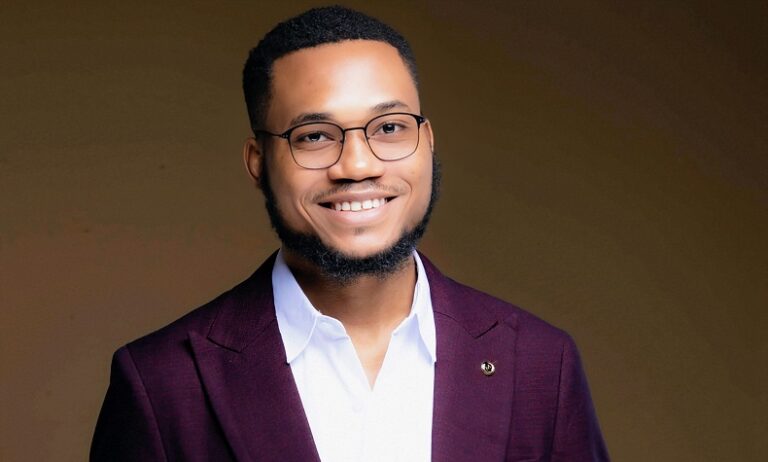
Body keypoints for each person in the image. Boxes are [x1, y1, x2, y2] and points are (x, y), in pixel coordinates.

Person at [91, 6, 609, 461]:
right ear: (258, 162)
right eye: (314, 136)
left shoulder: (541, 363)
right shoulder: (161, 384)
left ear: (427, 142)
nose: (357, 165)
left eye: (389, 128)